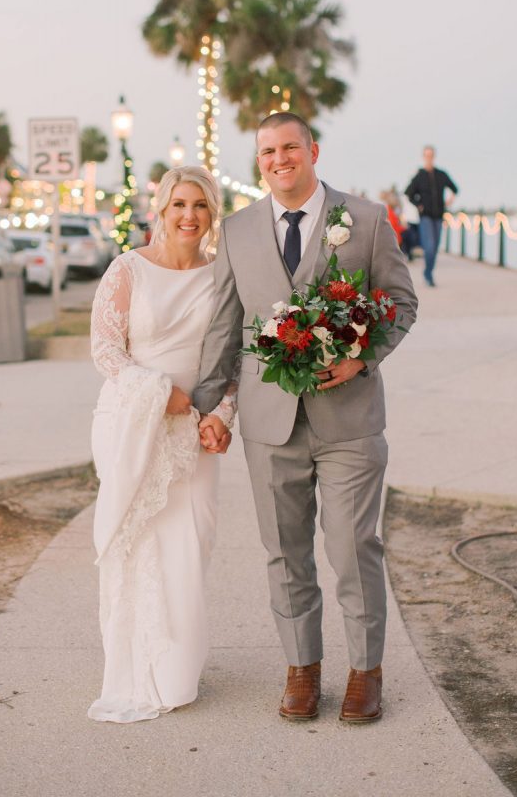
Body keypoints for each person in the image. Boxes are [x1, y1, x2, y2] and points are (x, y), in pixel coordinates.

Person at [194, 113, 418, 724]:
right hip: (270, 424)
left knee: (352, 549)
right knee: (285, 553)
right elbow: (224, 326)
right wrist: (204, 405)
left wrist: (359, 359)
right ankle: (301, 669)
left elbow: (400, 302)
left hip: (349, 418)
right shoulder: (237, 231)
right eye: (267, 150)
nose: (279, 158)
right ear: (259, 160)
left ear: (312, 150)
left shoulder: (366, 219)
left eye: (289, 146)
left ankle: (365, 672)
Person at [88, 168, 234, 724]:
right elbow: (105, 350)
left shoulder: (222, 279)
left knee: (189, 543)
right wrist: (160, 394)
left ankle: (176, 667)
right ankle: (131, 663)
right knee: (135, 541)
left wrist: (221, 414)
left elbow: (231, 363)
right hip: (132, 423)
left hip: (195, 432)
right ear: (161, 208)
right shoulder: (127, 269)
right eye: (178, 204)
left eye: (200, 205)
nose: (188, 216)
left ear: (211, 212)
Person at [404, 146, 458, 286]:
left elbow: (454, 188)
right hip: (425, 217)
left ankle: (429, 272)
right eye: (426, 155)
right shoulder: (419, 175)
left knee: (435, 247)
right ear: (423, 157)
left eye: (431, 155)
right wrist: (419, 204)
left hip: (439, 216)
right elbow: (408, 193)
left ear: (434, 156)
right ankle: (428, 275)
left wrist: (449, 201)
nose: (429, 157)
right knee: (429, 246)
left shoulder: (441, 174)